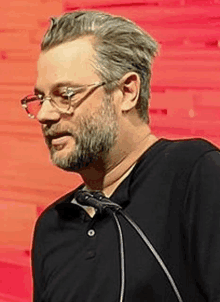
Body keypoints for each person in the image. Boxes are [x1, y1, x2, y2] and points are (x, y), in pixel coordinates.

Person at [21, 10, 220, 302]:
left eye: (65, 95)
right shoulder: (52, 225)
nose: (46, 115)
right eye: (41, 98)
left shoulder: (194, 173)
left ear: (127, 91)